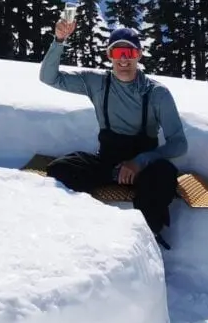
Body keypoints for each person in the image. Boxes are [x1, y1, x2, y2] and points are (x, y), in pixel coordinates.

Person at [39, 23, 187, 246]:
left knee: (164, 176)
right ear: (109, 55)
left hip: (144, 169)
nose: (124, 60)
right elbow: (49, 77)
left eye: (130, 52)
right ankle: (79, 231)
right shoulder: (96, 83)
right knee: (61, 168)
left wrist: (139, 162)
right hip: (107, 162)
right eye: (118, 52)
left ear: (139, 55)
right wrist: (59, 41)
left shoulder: (157, 93)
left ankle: (147, 239)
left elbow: (179, 144)